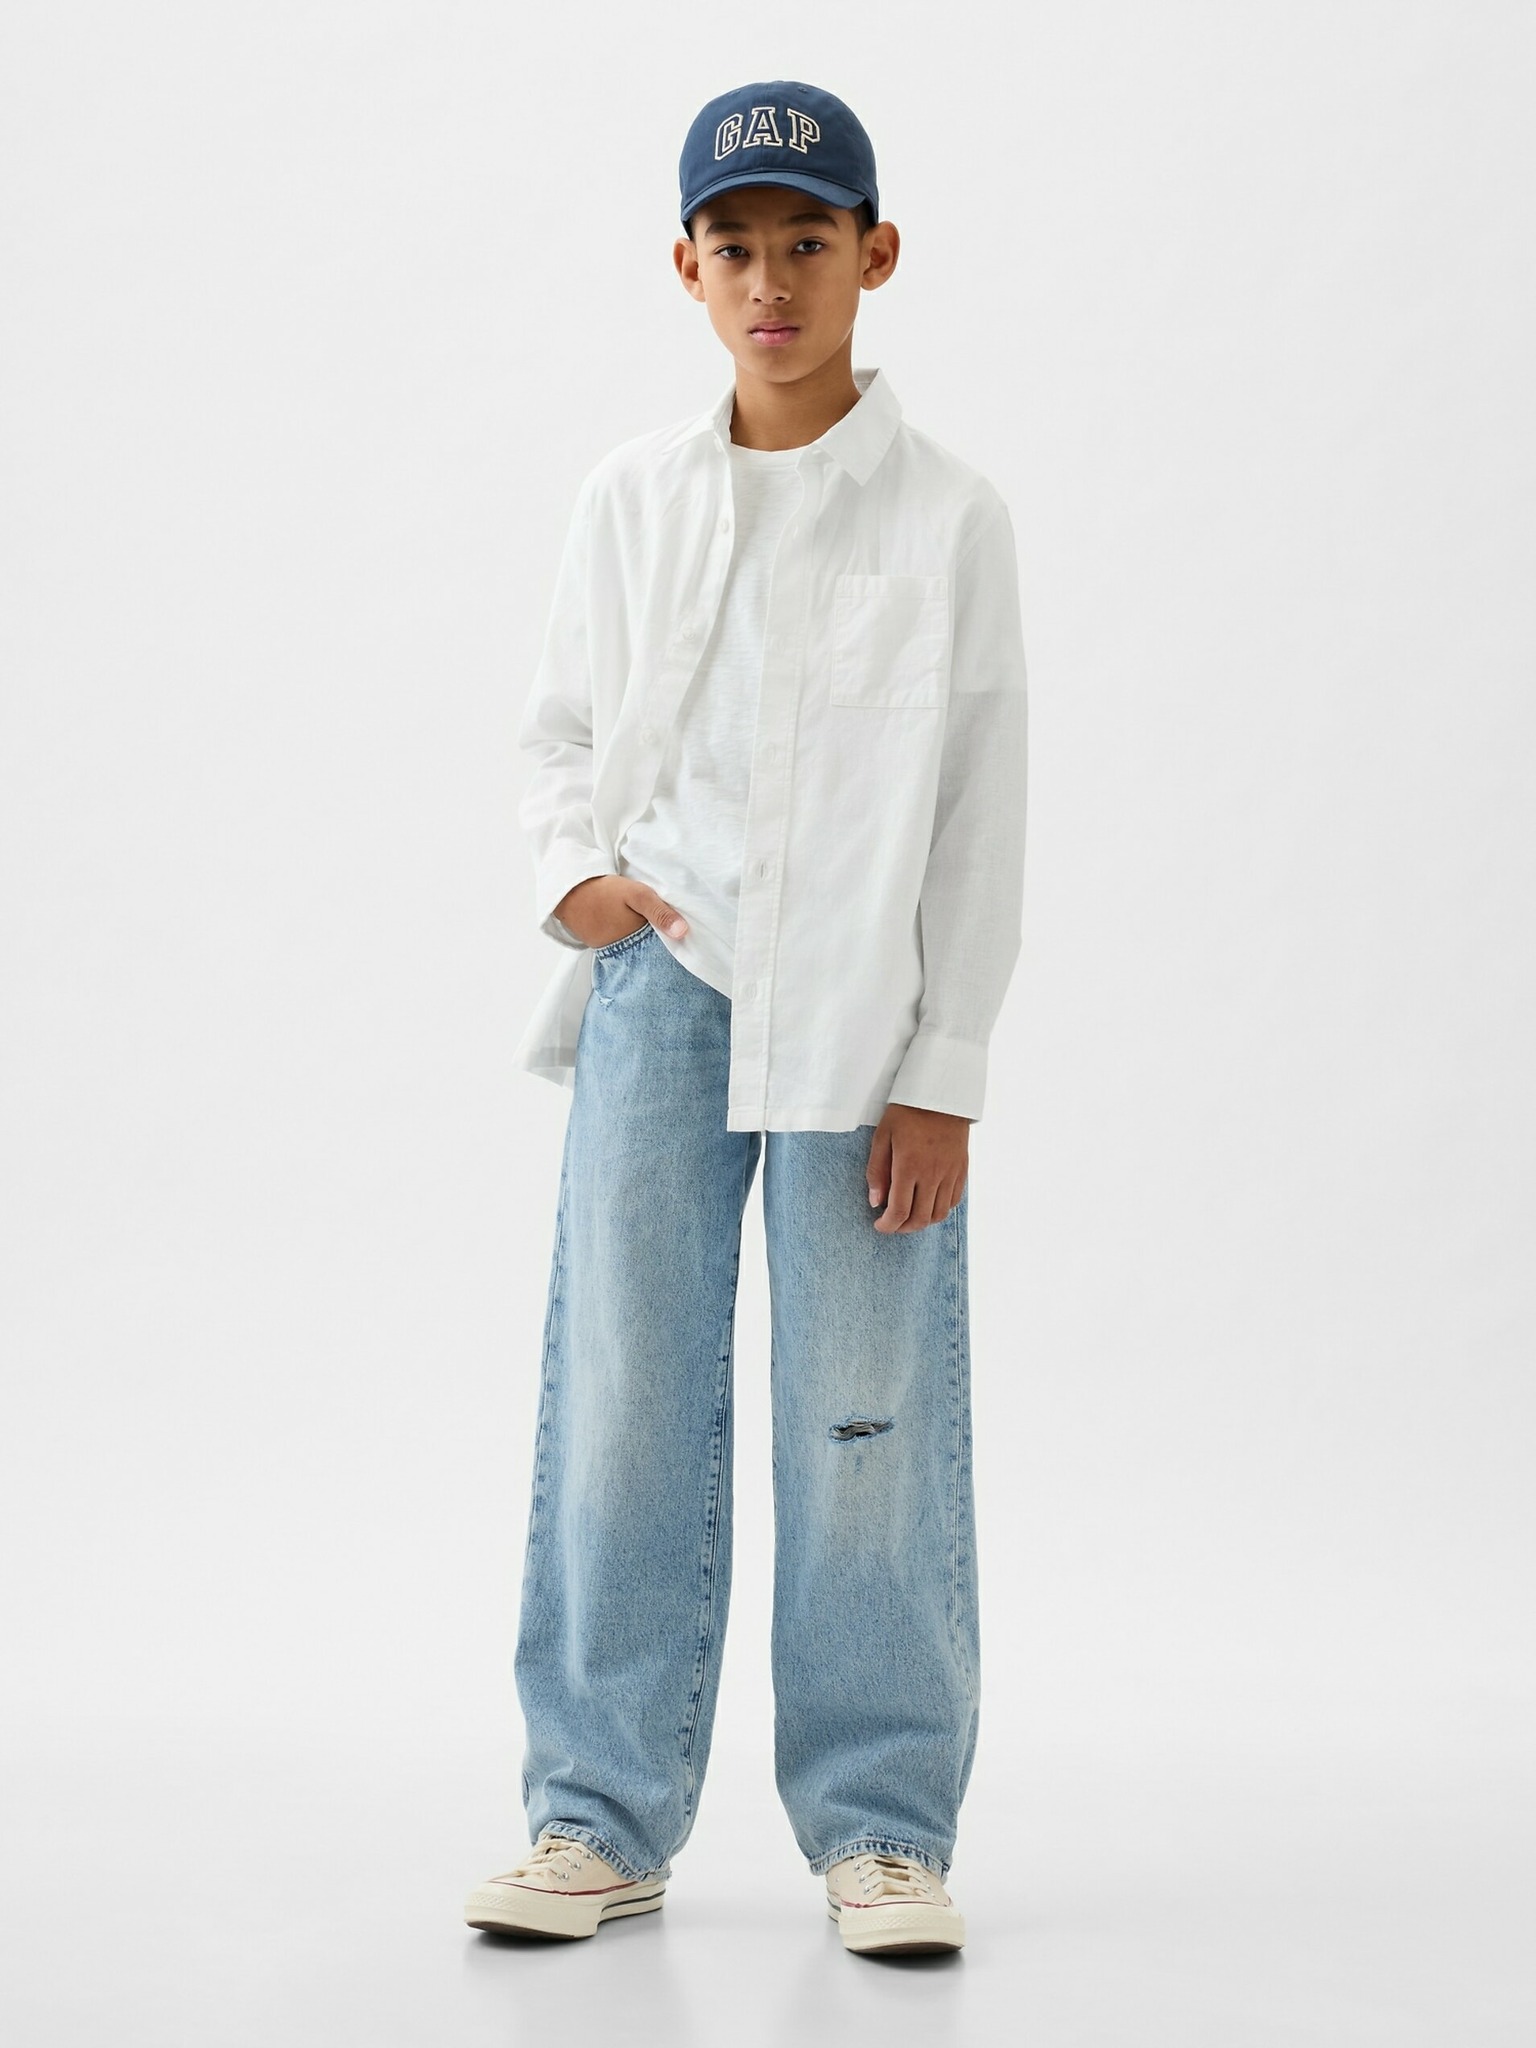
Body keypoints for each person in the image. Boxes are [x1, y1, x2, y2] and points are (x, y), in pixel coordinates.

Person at [464, 78, 1028, 1958]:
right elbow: (559, 726)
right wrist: (579, 879)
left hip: (862, 1023)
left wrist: (946, 1071)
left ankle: (881, 1827)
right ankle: (594, 1813)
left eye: (808, 243)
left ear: (877, 255)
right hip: (666, 995)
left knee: (868, 1414)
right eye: (736, 247)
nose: (772, 281)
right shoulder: (631, 498)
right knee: (624, 1396)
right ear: (686, 268)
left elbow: (977, 806)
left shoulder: (948, 519)